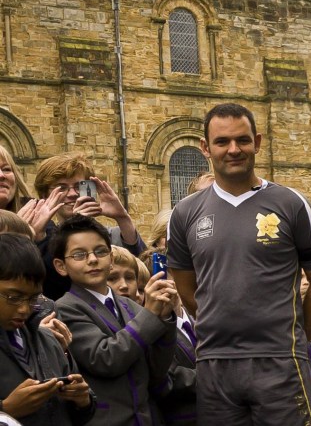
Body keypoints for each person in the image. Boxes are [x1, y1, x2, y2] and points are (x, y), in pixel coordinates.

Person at [166, 103, 311, 425]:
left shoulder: (292, 204)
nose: (234, 150)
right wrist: (221, 328)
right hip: (215, 365)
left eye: (243, 140)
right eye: (222, 142)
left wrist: (298, 336)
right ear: (205, 147)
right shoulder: (185, 214)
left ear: (257, 143)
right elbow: (188, 290)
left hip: (281, 363)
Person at [53, 217, 178, 426]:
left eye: (100, 251)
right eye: (79, 255)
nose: (92, 259)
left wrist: (165, 317)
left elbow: (158, 368)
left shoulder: (130, 306)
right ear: (61, 266)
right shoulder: (66, 308)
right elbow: (105, 359)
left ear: (111, 259)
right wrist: (150, 315)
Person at [0, 233, 96, 426]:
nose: (24, 309)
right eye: (13, 297)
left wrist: (83, 400)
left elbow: (81, 415)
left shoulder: (48, 341)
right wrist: (6, 411)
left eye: (33, 299)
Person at [32, 153, 145, 300]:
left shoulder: (107, 234)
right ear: (45, 195)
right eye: (62, 187)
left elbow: (140, 267)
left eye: (79, 186)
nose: (72, 194)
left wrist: (123, 218)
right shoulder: (42, 235)